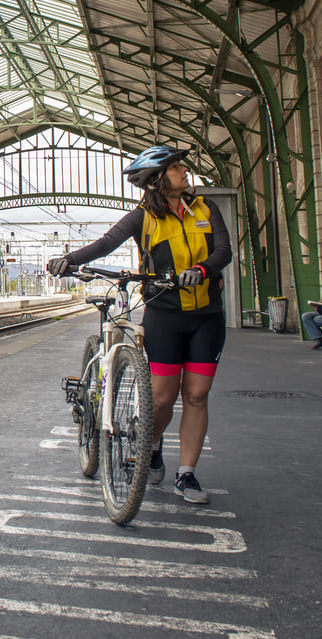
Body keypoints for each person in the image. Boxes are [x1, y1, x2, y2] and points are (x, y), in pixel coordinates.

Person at [46, 145, 232, 505]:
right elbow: (106, 243)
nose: (184, 172)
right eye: (176, 168)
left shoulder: (206, 209)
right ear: (158, 180)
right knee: (162, 399)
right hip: (164, 315)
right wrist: (69, 259)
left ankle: (187, 474)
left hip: (207, 316)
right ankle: (153, 442)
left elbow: (222, 251)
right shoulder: (143, 217)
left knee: (196, 395)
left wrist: (202, 270)